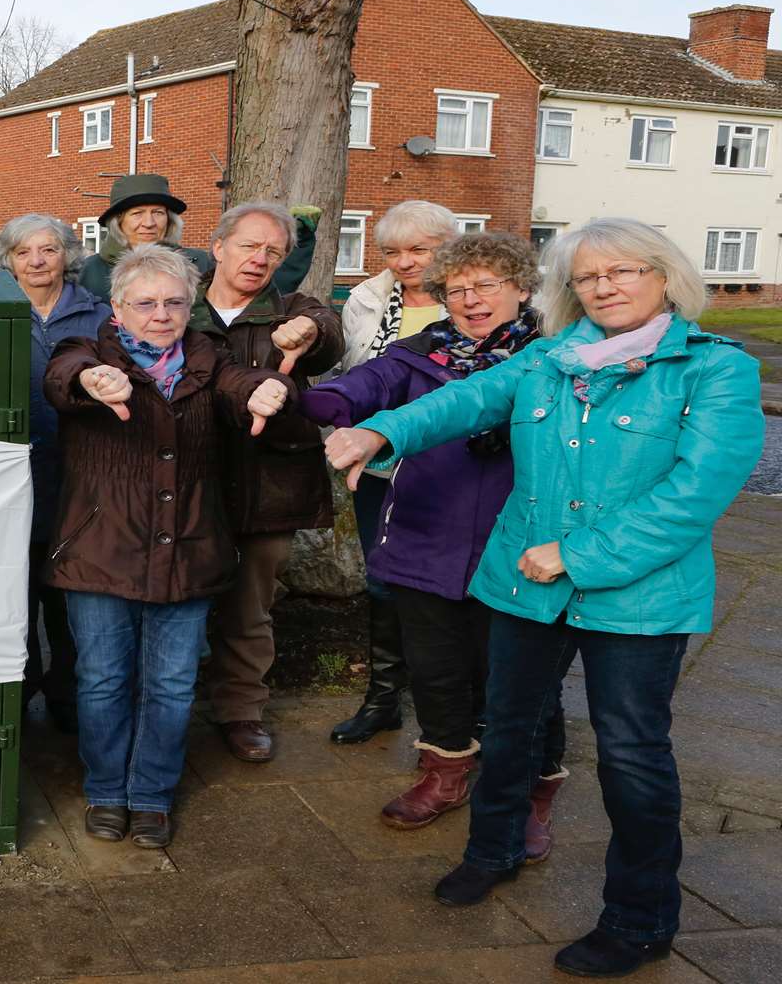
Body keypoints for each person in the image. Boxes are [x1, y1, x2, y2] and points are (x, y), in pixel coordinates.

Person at [325, 218, 764, 978]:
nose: (605, 286)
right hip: (523, 582)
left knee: (632, 754)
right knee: (512, 727)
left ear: (665, 277)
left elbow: (695, 493)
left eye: (623, 271)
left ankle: (639, 918)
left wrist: (579, 555)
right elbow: (463, 402)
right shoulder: (552, 357)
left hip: (639, 596)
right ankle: (491, 851)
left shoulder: (714, 369)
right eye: (589, 277)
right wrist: (378, 433)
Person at [302, 234, 565, 835]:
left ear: (522, 288)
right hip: (425, 534)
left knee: (521, 675)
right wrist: (316, 399)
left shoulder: (554, 356)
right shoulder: (420, 352)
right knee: (437, 667)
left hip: (518, 543)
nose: (470, 300)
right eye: (456, 290)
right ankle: (445, 772)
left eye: (486, 286)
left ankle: (531, 789)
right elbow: (366, 384)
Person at [44, 245, 294, 849]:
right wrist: (89, 380)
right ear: (118, 307)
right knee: (101, 680)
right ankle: (107, 791)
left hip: (190, 551)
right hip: (99, 553)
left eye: (175, 302)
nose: (161, 314)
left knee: (173, 684)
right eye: (146, 303)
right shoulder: (89, 352)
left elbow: (242, 382)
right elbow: (62, 377)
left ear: (192, 307)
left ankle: (151, 796)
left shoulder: (211, 358)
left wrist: (264, 391)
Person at [188, 202, 343, 764]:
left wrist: (310, 331)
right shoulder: (180, 303)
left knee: (251, 604)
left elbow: (327, 338)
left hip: (268, 482)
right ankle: (168, 704)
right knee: (176, 597)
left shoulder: (293, 309)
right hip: (187, 479)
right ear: (219, 246)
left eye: (272, 251)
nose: (259, 259)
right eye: (249, 246)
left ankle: (241, 710)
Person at [330, 200, 460, 746]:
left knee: (453, 583)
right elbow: (354, 373)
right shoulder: (366, 299)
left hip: (452, 465)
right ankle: (382, 699)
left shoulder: (472, 299)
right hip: (380, 464)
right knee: (382, 577)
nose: (405, 262)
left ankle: (457, 708)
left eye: (419, 249)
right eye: (392, 251)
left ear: (447, 247)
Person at [0, 213, 110, 733]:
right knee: (11, 595)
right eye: (24, 252)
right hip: (9, 480)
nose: (37, 261)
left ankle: (68, 695)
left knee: (70, 595)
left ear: (68, 254)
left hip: (78, 478)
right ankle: (16, 691)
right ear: (10, 260)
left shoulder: (100, 316)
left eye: (48, 250)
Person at [75, 173, 317, 300]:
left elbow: (256, 289)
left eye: (158, 213)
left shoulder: (198, 262)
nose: (148, 223)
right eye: (137, 213)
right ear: (118, 221)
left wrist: (300, 244)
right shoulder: (88, 272)